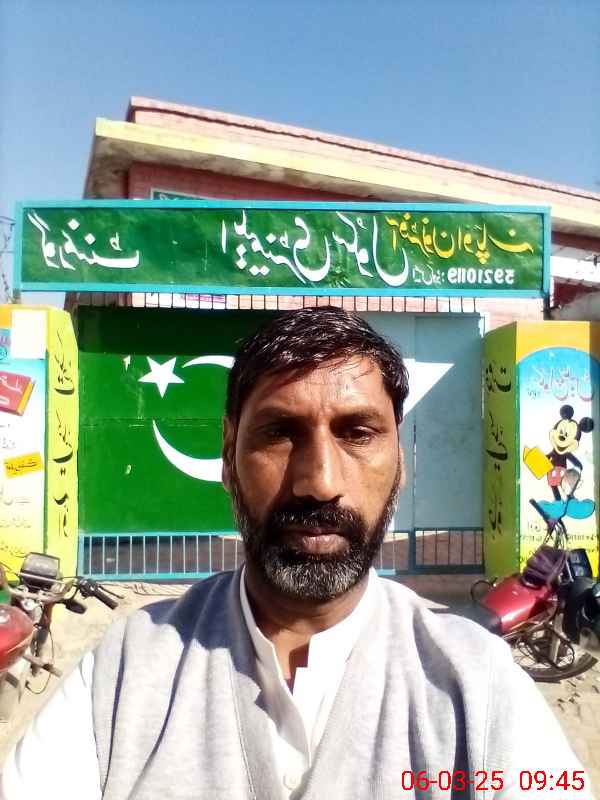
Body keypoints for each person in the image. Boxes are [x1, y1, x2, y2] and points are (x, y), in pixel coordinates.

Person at [1, 307, 592, 799]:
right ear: (229, 456)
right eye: (280, 433)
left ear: (400, 463)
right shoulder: (127, 670)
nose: (319, 482)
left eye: (357, 433)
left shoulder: (477, 685)